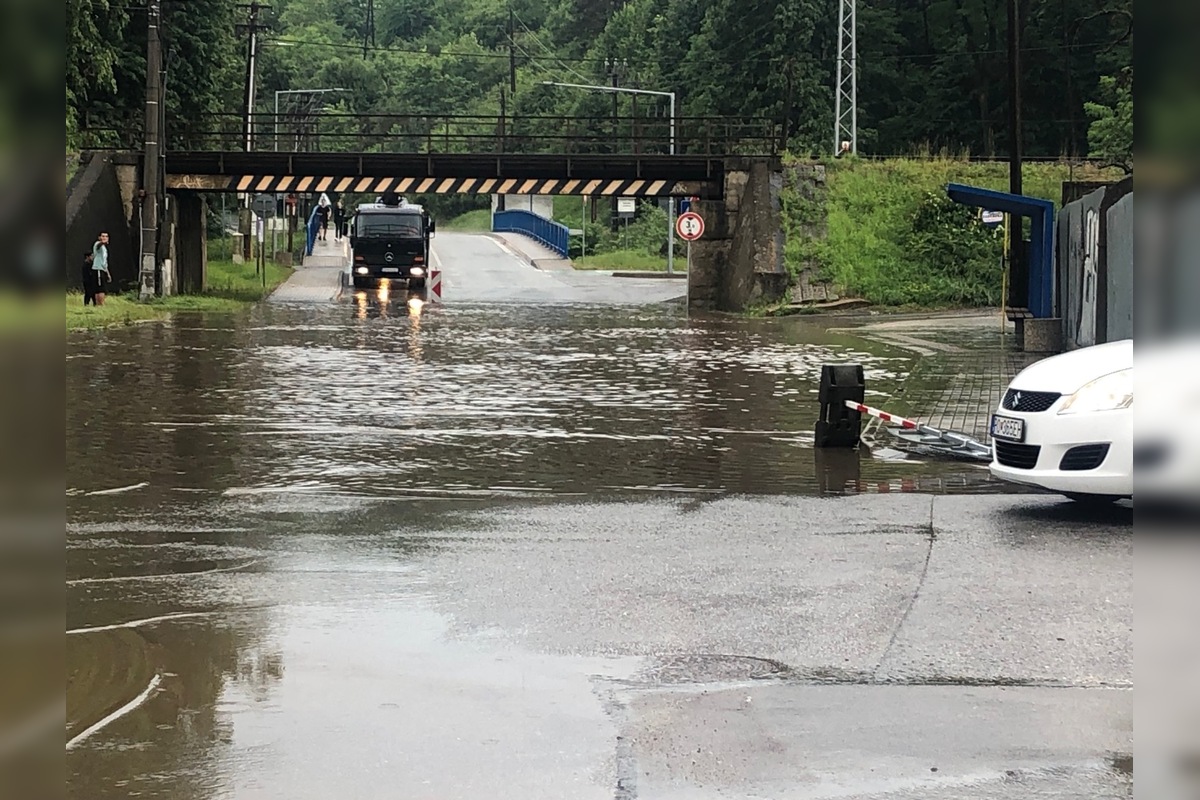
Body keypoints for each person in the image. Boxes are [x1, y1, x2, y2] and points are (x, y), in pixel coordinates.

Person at [91, 232, 112, 306]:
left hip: (102, 269)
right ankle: (100, 304)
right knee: (100, 289)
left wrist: (108, 273)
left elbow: (104, 262)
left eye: (106, 236)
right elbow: (99, 245)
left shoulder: (104, 248)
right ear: (99, 237)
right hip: (98, 269)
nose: (104, 237)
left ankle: (99, 304)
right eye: (103, 236)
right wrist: (102, 242)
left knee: (101, 288)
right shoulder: (98, 244)